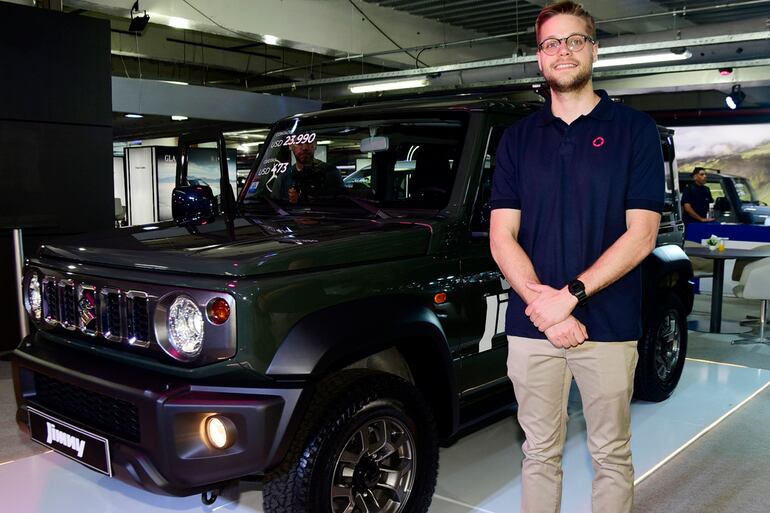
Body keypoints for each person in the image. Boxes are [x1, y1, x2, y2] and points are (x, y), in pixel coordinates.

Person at [488, 2, 663, 513]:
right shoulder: (518, 139)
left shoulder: (633, 130)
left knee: (609, 453)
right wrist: (543, 307)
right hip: (532, 326)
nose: (561, 51)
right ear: (539, 59)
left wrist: (569, 298)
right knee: (539, 453)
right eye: (550, 44)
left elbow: (642, 234)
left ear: (594, 49)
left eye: (573, 40)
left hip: (606, 324)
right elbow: (503, 237)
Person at [271, 141, 343, 204]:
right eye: (299, 143)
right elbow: (276, 209)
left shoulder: (331, 173)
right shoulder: (284, 178)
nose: (305, 148)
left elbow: (342, 204)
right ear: (290, 146)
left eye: (309, 142)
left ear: (315, 145)